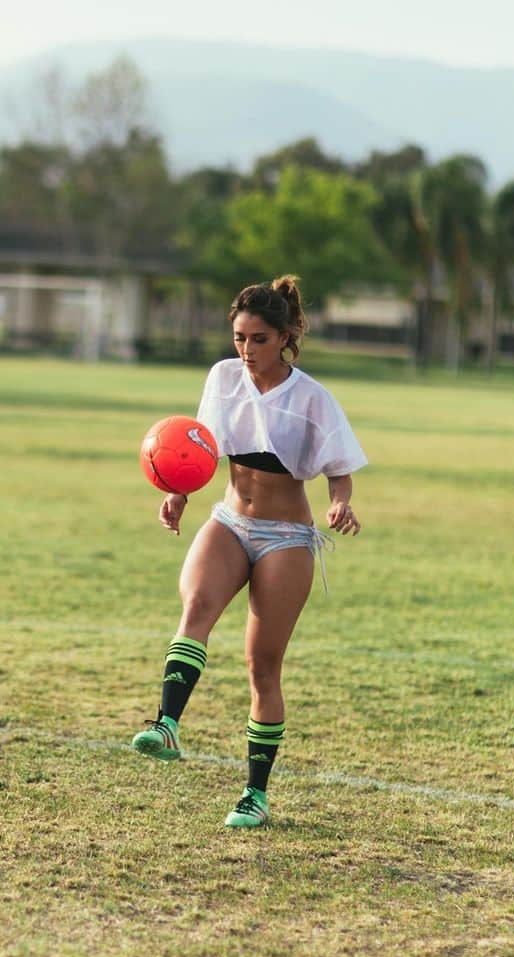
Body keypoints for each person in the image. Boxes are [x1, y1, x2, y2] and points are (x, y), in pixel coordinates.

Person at [131, 275, 368, 828]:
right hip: (231, 519)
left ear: (285, 337)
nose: (246, 350)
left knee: (262, 666)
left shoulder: (312, 398)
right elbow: (201, 448)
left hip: (286, 537)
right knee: (195, 611)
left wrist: (341, 506)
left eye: (259, 339)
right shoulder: (222, 377)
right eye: (239, 337)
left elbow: (340, 470)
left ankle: (255, 795)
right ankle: (167, 723)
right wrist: (178, 493)